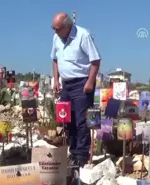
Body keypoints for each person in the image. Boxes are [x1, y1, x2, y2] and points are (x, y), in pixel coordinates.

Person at [51, 12, 101, 167]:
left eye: (57, 29)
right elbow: (54, 59)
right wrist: (56, 79)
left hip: (81, 84)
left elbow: (95, 60)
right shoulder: (56, 38)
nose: (55, 31)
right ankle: (73, 152)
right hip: (66, 85)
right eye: (53, 28)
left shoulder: (83, 35)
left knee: (82, 121)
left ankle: (82, 155)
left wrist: (90, 82)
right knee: (67, 120)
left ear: (67, 27)